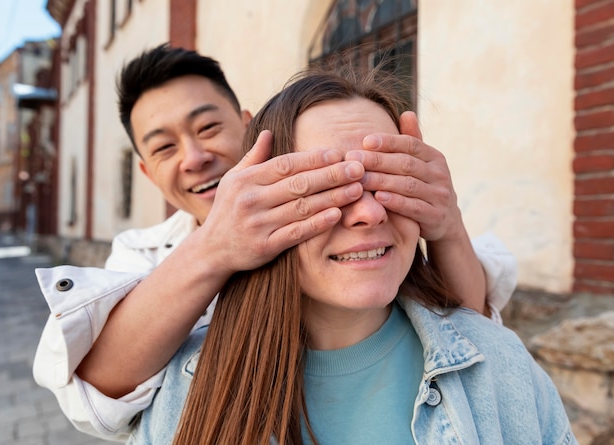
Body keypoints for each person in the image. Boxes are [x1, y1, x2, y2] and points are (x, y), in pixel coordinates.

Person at [33, 45, 517, 441]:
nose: (195, 157)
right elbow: (97, 392)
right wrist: (216, 248)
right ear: (146, 172)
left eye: (208, 128)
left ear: (250, 128)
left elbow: (471, 336)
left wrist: (446, 223)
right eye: (163, 147)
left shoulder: (390, 238)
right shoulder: (140, 260)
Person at [124, 68, 576, 445]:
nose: (368, 212)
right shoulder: (187, 389)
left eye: (390, 178)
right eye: (325, 186)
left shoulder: (500, 365)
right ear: (259, 206)